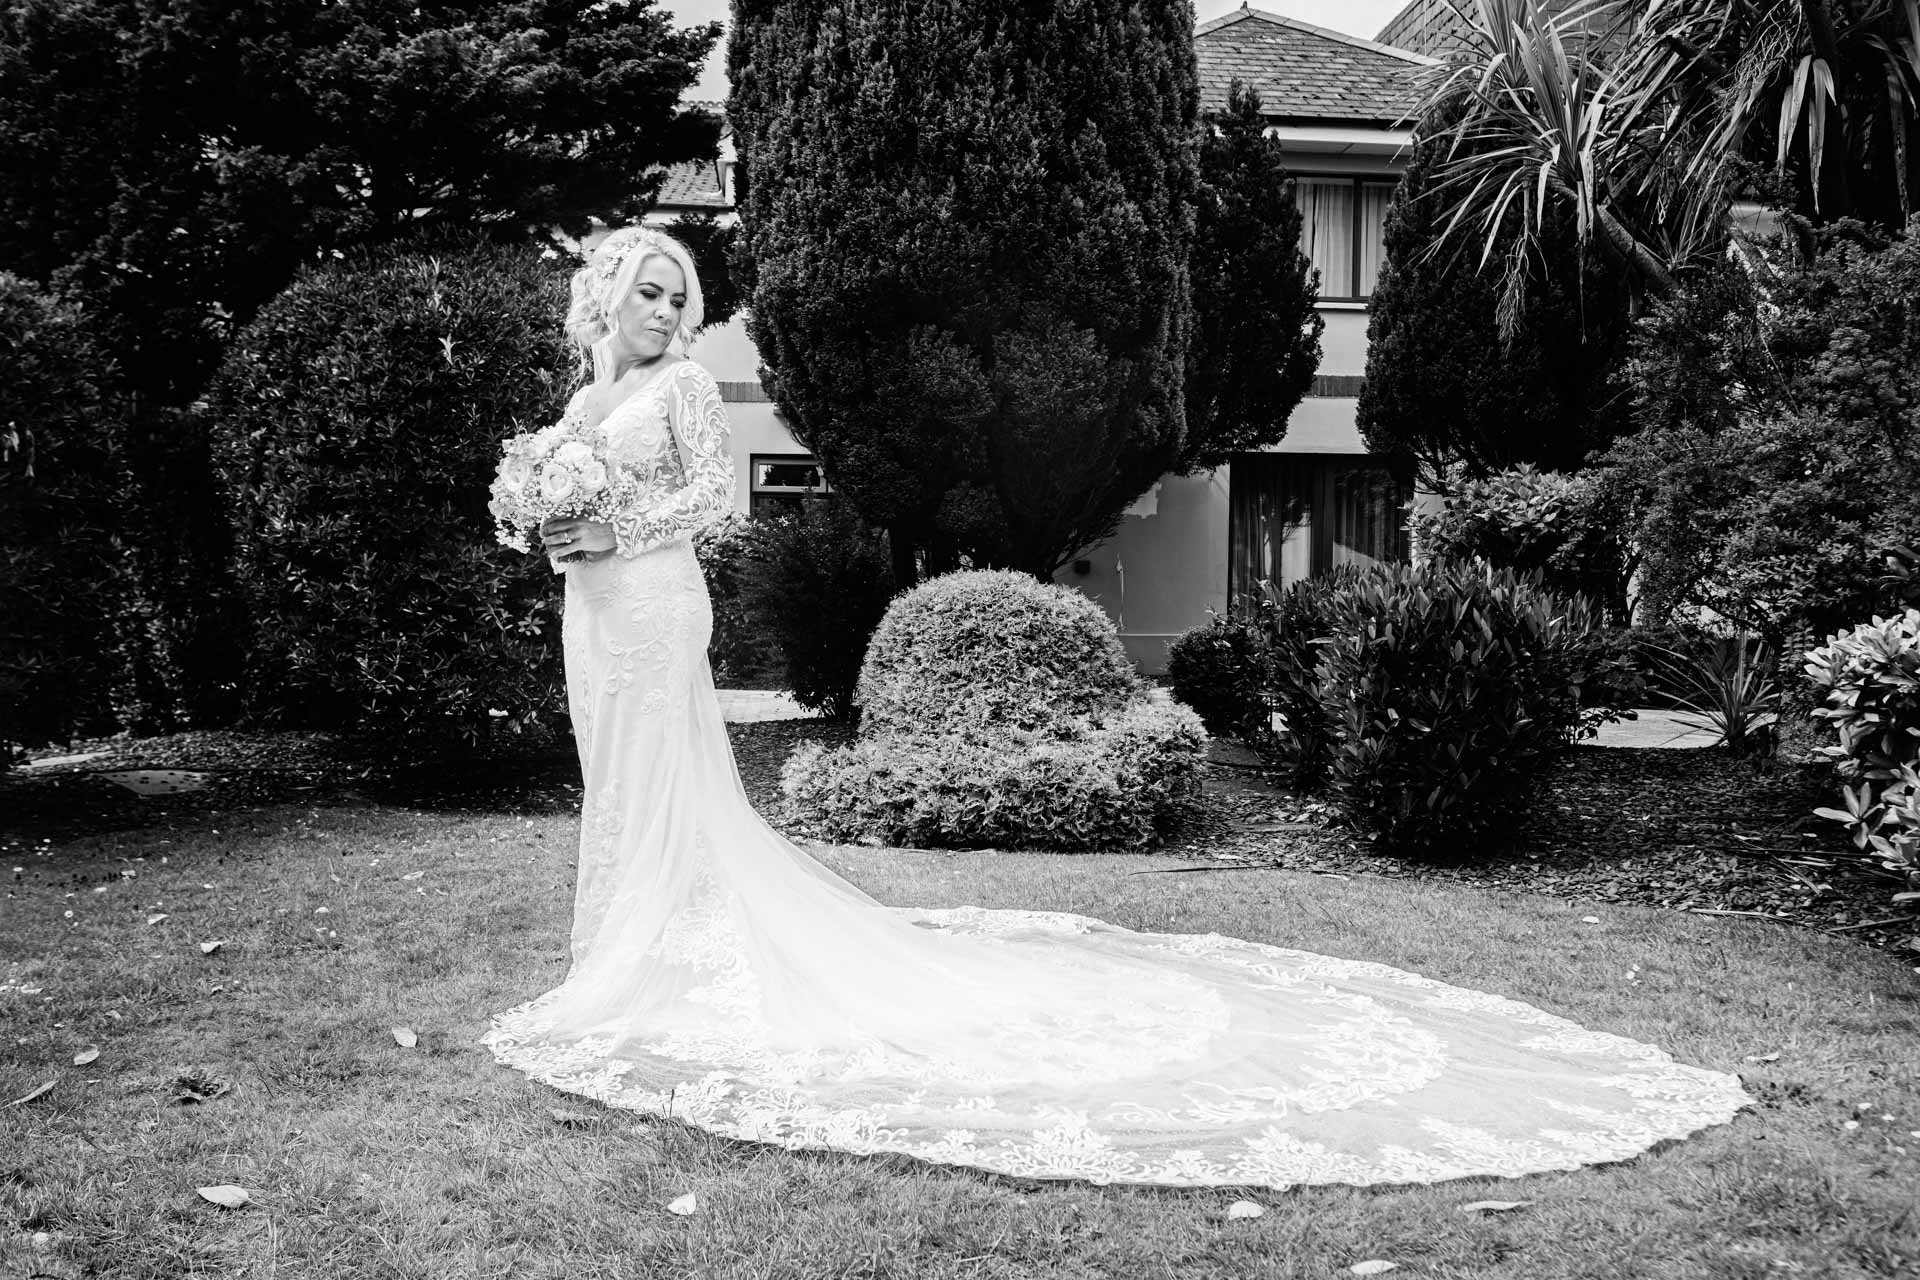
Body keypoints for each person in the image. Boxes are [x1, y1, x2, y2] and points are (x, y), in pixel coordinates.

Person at [485, 225, 1749, 1189]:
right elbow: (560, 511)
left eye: (679, 296)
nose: (665, 310)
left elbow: (712, 503)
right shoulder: (582, 405)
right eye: (648, 292)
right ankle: (623, 941)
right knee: (616, 767)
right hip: (591, 606)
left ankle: (657, 953)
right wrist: (556, 528)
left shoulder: (688, 392)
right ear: (606, 298)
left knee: (666, 764)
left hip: (654, 602)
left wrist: (614, 520)